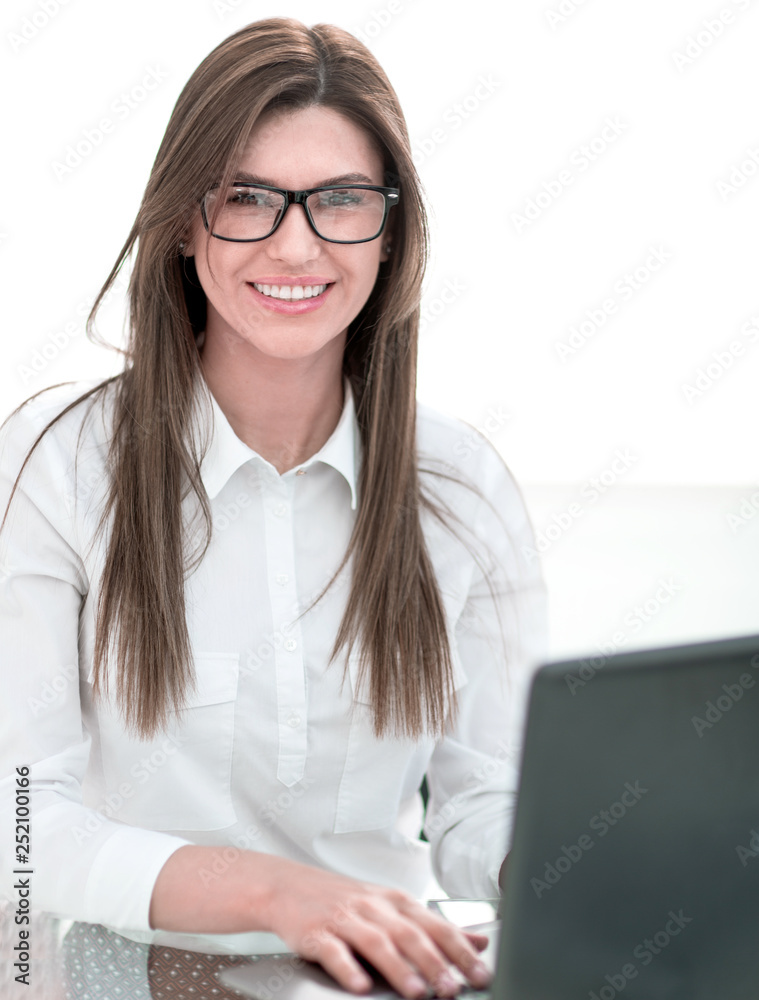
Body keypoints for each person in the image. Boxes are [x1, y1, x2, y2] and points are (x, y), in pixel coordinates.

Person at [0, 17, 546, 998]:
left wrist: (568, 877)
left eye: (340, 200)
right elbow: (22, 831)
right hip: (112, 977)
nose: (295, 243)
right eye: (248, 197)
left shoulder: (463, 488)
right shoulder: (58, 468)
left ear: (390, 231)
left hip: (383, 981)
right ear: (182, 218)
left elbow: (485, 805)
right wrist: (278, 893)